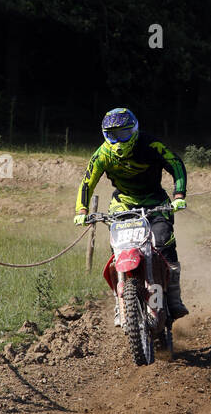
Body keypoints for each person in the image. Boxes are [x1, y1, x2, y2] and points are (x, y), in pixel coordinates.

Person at [73, 108, 189, 319]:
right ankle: (122, 302)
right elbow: (87, 181)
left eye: (123, 134)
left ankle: (173, 296)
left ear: (134, 131)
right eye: (112, 135)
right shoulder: (103, 154)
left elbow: (175, 163)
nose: (118, 140)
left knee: (163, 240)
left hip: (155, 202)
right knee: (118, 249)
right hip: (123, 204)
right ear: (105, 134)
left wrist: (179, 195)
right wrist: (82, 210)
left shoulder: (150, 145)